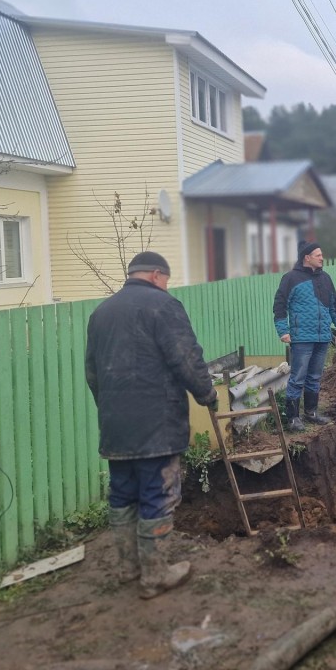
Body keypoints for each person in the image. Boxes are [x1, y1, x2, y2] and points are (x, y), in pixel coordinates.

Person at [85, 251, 219, 599]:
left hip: (116, 425)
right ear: (158, 275)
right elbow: (186, 358)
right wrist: (207, 394)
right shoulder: (164, 306)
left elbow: (92, 372)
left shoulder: (102, 312)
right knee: (157, 495)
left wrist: (111, 408)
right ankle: (156, 576)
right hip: (157, 425)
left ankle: (129, 568)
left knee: (122, 494)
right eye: (166, 280)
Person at [274, 240, 336, 432]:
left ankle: (311, 413)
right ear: (307, 258)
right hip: (301, 338)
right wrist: (283, 330)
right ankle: (292, 419)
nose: (322, 258)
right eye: (318, 255)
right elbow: (279, 306)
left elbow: (334, 305)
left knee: (315, 377)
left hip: (323, 337)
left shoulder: (326, 279)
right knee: (298, 377)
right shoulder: (290, 278)